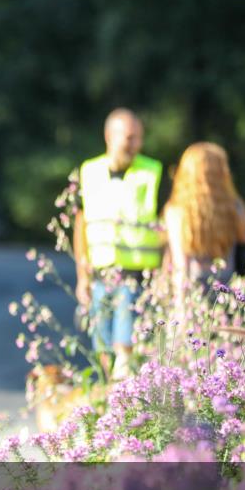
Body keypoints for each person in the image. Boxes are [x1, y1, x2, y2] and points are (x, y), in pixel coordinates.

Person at [73, 108, 164, 379]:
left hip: (136, 278)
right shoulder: (89, 171)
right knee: (101, 348)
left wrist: (166, 273)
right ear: (109, 136)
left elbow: (166, 226)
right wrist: (82, 276)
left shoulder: (152, 172)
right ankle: (107, 400)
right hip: (100, 278)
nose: (135, 144)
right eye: (129, 137)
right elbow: (81, 225)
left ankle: (120, 400)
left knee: (125, 350)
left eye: (138, 138)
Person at [163, 142, 245, 300]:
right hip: (229, 291)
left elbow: (180, 264)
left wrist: (180, 308)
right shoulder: (235, 207)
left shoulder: (177, 210)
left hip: (194, 292)